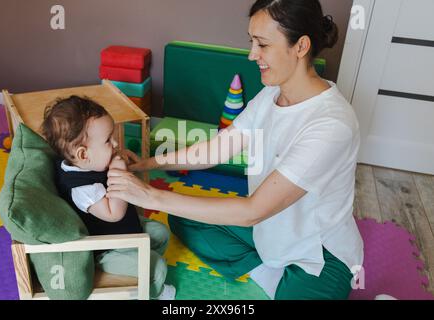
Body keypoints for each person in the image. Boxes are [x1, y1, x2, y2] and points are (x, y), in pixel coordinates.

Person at [106, 0, 363, 300]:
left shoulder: (332, 125)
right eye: (252, 42)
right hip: (268, 232)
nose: (252, 54)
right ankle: (270, 272)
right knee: (181, 219)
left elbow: (253, 211)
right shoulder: (270, 96)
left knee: (182, 206)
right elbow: (217, 150)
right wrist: (146, 164)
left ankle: (286, 278)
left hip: (318, 255)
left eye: (263, 44)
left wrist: (150, 195)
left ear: (301, 46)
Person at [41, 95, 176, 300]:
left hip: (125, 231)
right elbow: (114, 214)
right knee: (157, 268)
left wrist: (121, 164)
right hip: (106, 250)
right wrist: (119, 174)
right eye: (108, 140)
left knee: (161, 233)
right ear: (83, 155)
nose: (115, 143)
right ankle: (151, 291)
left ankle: (141, 271)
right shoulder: (82, 188)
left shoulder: (89, 162)